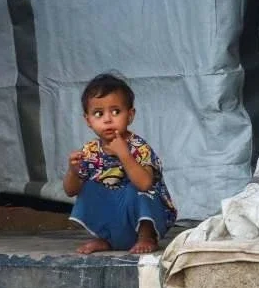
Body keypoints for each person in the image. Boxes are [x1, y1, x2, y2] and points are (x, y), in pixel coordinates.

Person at [63, 73, 177, 254]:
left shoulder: (138, 147)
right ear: (88, 120)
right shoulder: (90, 151)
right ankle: (107, 238)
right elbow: (70, 191)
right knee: (90, 187)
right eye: (98, 113)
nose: (107, 119)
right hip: (116, 216)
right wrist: (73, 171)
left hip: (148, 216)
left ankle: (146, 236)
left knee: (135, 188)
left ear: (130, 115)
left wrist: (124, 154)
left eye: (115, 111)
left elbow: (145, 184)